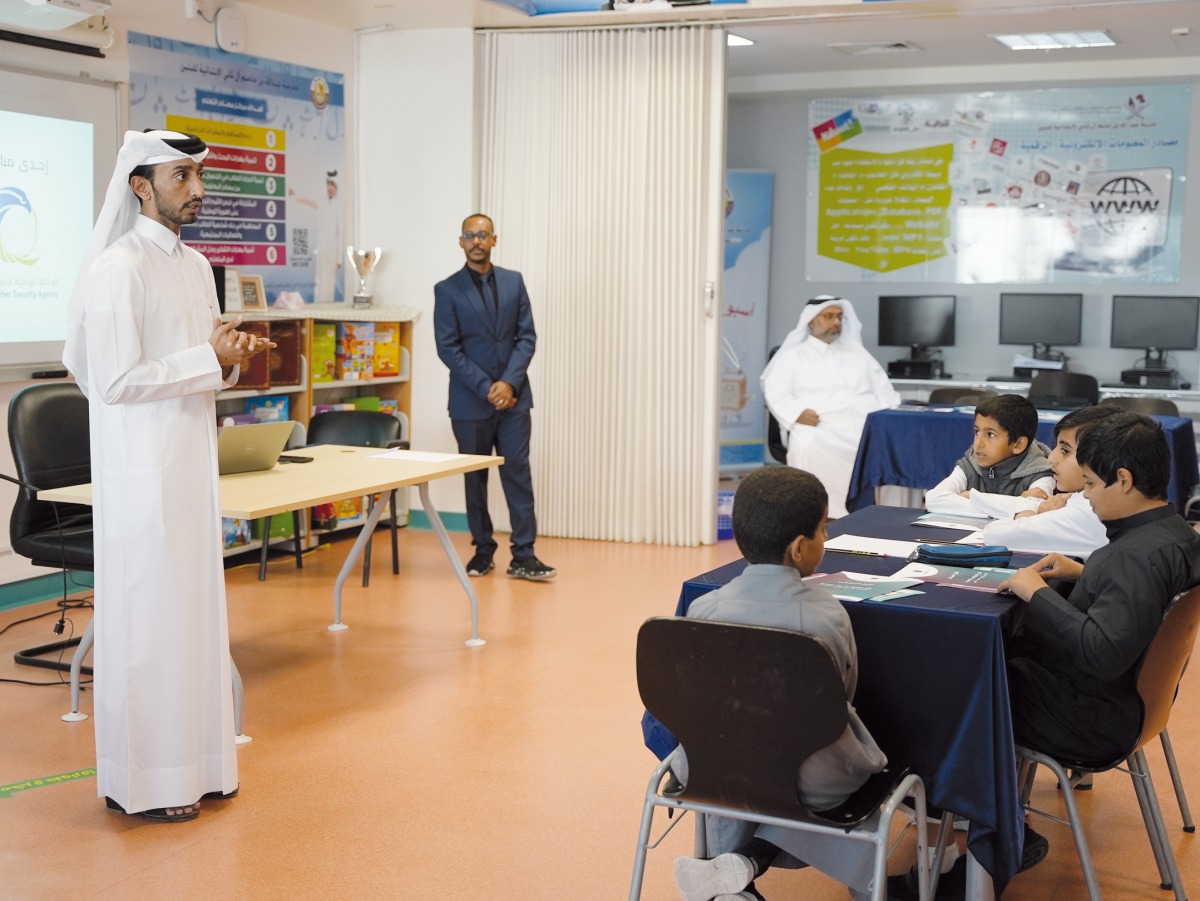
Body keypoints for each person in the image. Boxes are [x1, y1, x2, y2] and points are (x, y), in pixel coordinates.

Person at [63, 129, 275, 823]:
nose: (198, 189)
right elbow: (114, 380)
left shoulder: (197, 265)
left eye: (198, 176)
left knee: (195, 617)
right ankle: (148, 783)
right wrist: (208, 360)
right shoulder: (117, 268)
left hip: (191, 463)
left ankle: (204, 767)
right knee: (150, 623)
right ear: (141, 186)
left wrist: (230, 356)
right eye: (182, 176)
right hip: (141, 473)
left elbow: (205, 358)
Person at [672, 466, 889, 901]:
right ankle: (757, 863)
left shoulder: (704, 609)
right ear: (799, 548)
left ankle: (735, 878)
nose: (826, 538)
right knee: (853, 769)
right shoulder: (827, 615)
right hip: (812, 783)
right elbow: (841, 698)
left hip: (710, 770)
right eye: (824, 530)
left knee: (736, 754)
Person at [999, 411, 1200, 770]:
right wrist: (1085, 573)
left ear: (1123, 479)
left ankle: (967, 801)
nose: (1086, 496)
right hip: (1138, 703)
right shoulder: (1178, 533)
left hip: (1091, 720)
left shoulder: (1131, 557)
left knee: (971, 680)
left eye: (1090, 484)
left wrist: (1036, 592)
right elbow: (1144, 599)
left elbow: (1100, 653)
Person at [433, 214, 555, 581]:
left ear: (494, 240)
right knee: (475, 479)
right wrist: (489, 387)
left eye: (483, 234)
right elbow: (448, 348)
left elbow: (526, 336)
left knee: (518, 474)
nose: (476, 241)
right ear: (460, 241)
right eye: (470, 235)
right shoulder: (447, 289)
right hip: (470, 402)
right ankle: (482, 551)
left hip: (515, 399)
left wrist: (509, 384)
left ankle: (524, 555)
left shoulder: (514, 281)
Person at [761, 296, 900, 518]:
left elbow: (886, 392)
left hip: (864, 427)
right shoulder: (792, 356)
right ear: (811, 321)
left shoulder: (858, 356)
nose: (836, 322)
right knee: (806, 444)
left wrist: (883, 418)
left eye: (839, 317)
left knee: (893, 446)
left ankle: (880, 515)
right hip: (819, 425)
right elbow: (775, 391)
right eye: (828, 316)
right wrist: (796, 414)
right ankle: (813, 513)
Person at [978, 405, 1119, 558]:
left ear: (1098, 455)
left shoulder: (1089, 511)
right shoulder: (1082, 500)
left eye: (1065, 450)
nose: (1051, 458)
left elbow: (996, 535)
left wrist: (1029, 513)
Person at [924, 394, 1055, 514]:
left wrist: (970, 497)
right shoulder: (970, 464)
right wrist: (1018, 502)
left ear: (1018, 444)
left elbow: (1036, 509)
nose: (978, 443)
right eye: (977, 432)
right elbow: (934, 499)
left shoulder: (1041, 473)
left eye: (990, 434)